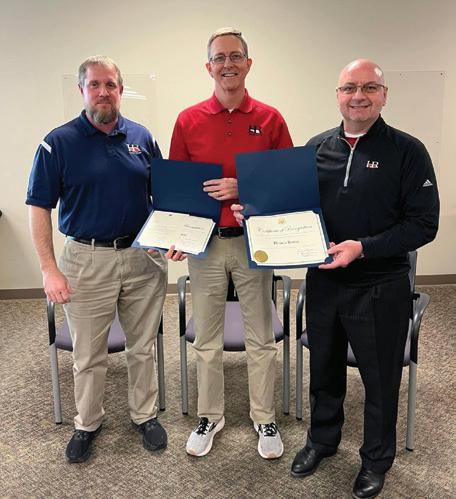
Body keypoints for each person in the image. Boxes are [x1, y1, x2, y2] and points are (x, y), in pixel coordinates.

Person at [234, 58, 439, 498]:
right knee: (324, 369)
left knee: (380, 380)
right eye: (349, 88)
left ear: (384, 96)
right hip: (325, 282)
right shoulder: (316, 148)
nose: (358, 96)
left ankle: (376, 460)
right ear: (338, 95)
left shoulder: (408, 151)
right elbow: (291, 208)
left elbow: (424, 225)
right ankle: (322, 441)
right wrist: (254, 213)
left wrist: (362, 247)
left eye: (369, 88)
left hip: (381, 285)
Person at [26, 56, 168, 463]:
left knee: (142, 346)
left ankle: (145, 415)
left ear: (120, 89)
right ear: (82, 90)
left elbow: (164, 196)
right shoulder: (58, 143)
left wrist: (170, 239)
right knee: (89, 354)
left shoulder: (141, 136)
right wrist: (49, 270)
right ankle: (87, 423)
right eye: (94, 85)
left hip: (142, 257)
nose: (103, 92)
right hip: (86, 260)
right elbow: (38, 207)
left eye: (110, 84)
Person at [168, 27, 293, 459]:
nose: (227, 64)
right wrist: (177, 237)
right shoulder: (188, 120)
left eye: (235, 56)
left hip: (253, 245)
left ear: (248, 63)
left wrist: (244, 188)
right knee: (207, 339)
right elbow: (178, 190)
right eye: (219, 57)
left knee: (261, 338)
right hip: (205, 246)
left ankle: (264, 417)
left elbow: (286, 185)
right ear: (208, 67)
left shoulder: (271, 119)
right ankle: (210, 415)